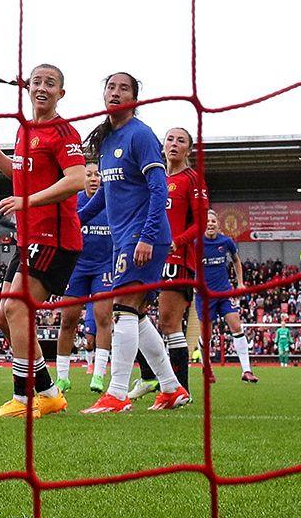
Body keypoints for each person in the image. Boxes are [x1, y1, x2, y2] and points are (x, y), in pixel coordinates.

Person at [0, 63, 85, 418]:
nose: (42, 87)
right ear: (27, 88)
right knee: (3, 320)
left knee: (17, 308)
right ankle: (50, 393)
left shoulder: (63, 132)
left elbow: (77, 179)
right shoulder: (25, 131)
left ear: (60, 93)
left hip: (54, 237)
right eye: (37, 81)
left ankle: (23, 400)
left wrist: (28, 201)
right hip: (29, 237)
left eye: (50, 83)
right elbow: (20, 175)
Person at [80, 72, 187, 414]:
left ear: (135, 98)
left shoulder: (140, 135)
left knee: (122, 310)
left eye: (123, 88)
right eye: (111, 87)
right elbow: (105, 197)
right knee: (137, 315)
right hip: (124, 239)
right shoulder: (107, 140)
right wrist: (74, 221)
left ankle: (116, 394)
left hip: (143, 238)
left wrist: (146, 236)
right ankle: (171, 388)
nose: (116, 92)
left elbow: (159, 190)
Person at [129, 126, 207, 399]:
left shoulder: (192, 179)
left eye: (181, 140)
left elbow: (199, 224)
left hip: (176, 258)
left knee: (168, 322)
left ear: (189, 149)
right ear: (162, 145)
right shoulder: (155, 177)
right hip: (150, 256)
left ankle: (178, 389)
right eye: (170, 139)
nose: (174, 144)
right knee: (129, 312)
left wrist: (177, 242)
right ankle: (150, 377)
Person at [61, 162, 115, 394]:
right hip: (77, 267)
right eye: (89, 174)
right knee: (68, 319)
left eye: (97, 175)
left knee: (104, 317)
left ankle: (99, 375)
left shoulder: (112, 203)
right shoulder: (74, 202)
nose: (94, 178)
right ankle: (62, 377)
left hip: (104, 267)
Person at [194, 209, 257, 383]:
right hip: (205, 296)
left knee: (236, 326)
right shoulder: (196, 243)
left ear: (218, 224)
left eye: (213, 221)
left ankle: (246, 371)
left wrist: (240, 283)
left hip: (224, 292)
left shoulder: (226, 242)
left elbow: (236, 260)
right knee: (206, 336)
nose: (210, 224)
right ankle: (206, 366)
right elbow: (189, 264)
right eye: (207, 221)